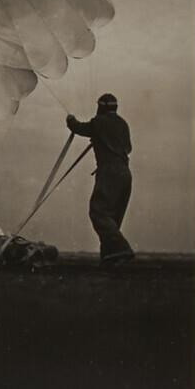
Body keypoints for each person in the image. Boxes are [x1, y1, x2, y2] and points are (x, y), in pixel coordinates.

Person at [68, 93, 136, 266]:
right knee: (113, 217)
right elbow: (128, 148)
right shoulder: (123, 124)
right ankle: (109, 258)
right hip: (125, 173)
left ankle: (121, 249)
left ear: (101, 107)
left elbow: (78, 127)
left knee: (99, 212)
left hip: (109, 172)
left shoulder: (98, 123)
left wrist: (70, 120)